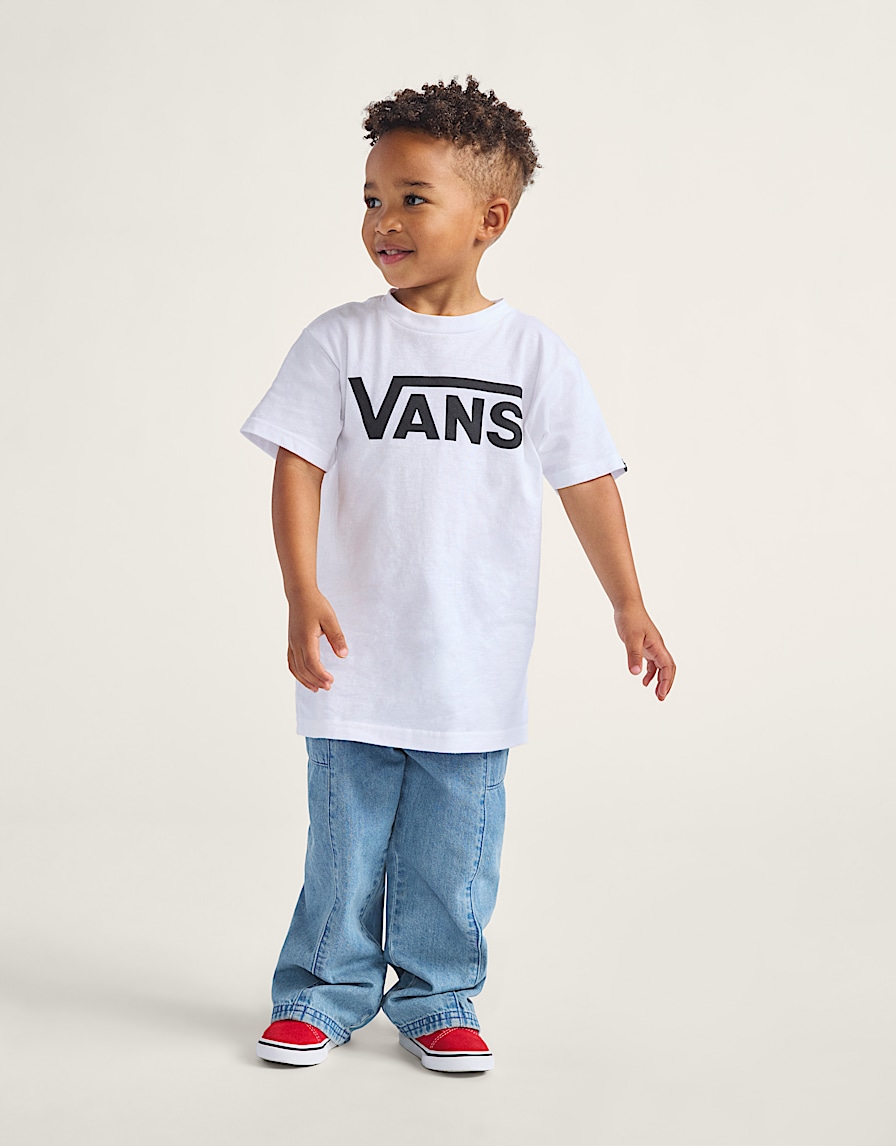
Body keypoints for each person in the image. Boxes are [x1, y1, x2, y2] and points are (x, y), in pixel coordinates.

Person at [239, 75, 676, 1073]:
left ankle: (438, 998)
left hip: (473, 662)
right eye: (370, 197)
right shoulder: (340, 340)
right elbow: (297, 466)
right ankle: (321, 991)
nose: (382, 220)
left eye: (411, 198)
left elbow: (587, 480)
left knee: (455, 849)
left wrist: (629, 603)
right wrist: (301, 592)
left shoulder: (531, 354)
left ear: (490, 219)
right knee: (345, 843)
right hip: (353, 657)